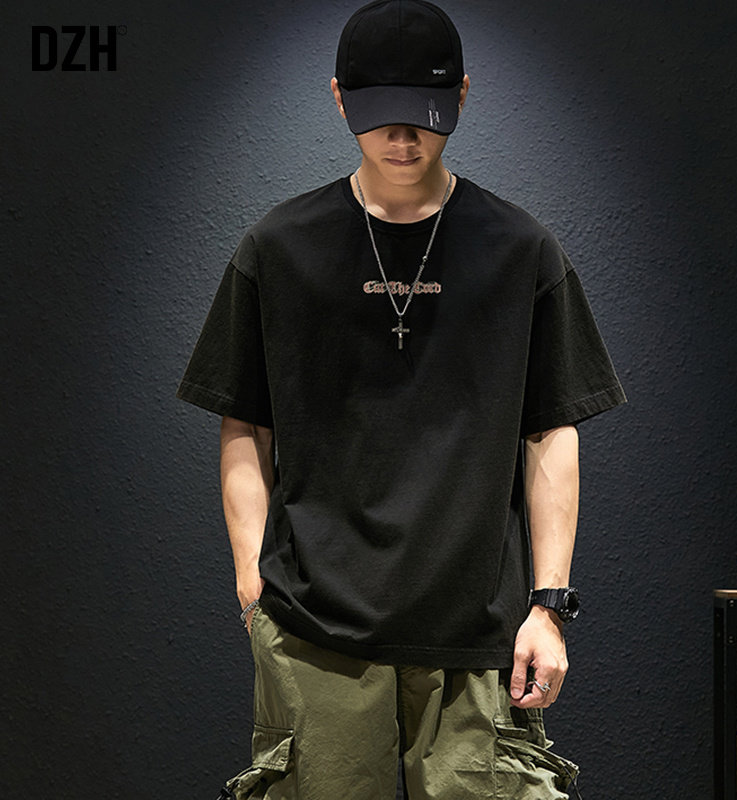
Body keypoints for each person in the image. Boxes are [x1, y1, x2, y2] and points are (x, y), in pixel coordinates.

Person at [177, 1, 625, 797]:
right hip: (315, 628)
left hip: (477, 631)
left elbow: (551, 430)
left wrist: (549, 605)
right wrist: (252, 582)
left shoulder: (520, 250)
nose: (403, 137)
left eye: (424, 115)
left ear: (462, 96)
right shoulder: (279, 248)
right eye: (380, 114)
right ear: (339, 99)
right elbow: (243, 420)